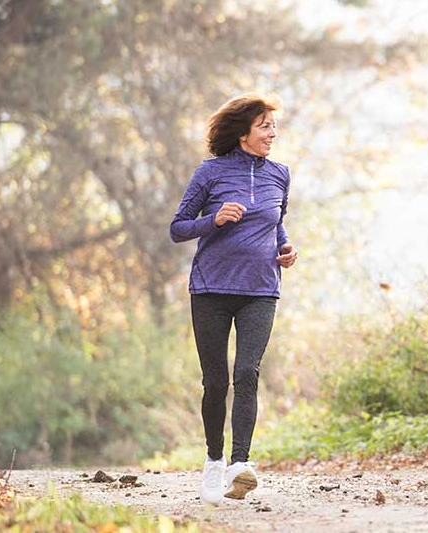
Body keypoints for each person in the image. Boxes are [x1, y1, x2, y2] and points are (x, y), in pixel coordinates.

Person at [170, 93, 298, 505]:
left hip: (261, 288)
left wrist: (287, 247)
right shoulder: (209, 173)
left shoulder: (280, 173)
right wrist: (214, 219)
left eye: (273, 126)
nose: (272, 133)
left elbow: (276, 224)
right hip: (211, 289)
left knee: (247, 373)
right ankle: (212, 462)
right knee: (215, 382)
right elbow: (178, 228)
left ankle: (240, 465)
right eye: (264, 126)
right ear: (243, 133)